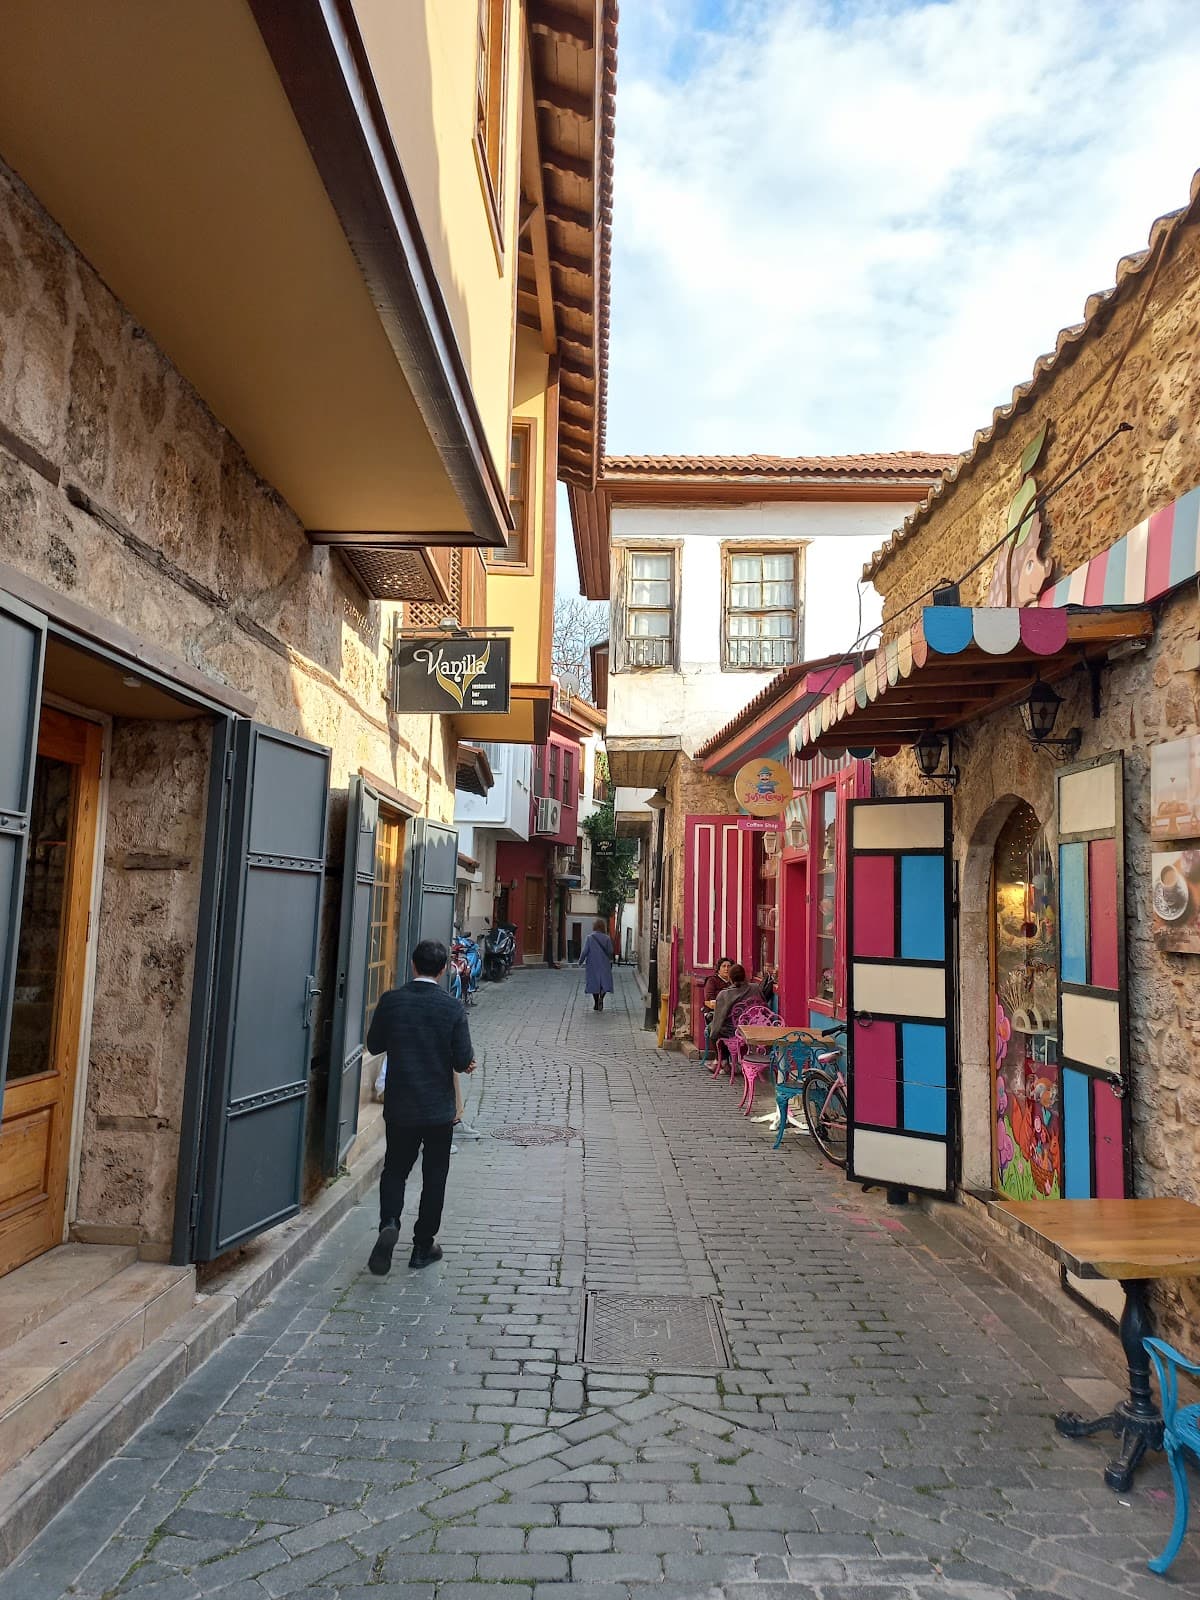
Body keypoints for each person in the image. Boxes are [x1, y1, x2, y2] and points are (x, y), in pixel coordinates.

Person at [364, 939, 475, 1276]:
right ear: (443, 970)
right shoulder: (452, 1007)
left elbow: (374, 1044)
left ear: (413, 966)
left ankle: (390, 1222)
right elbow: (460, 1060)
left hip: (400, 1105)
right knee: (434, 1176)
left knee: (395, 1169)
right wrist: (467, 1064)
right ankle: (423, 1246)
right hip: (437, 1109)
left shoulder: (392, 1002)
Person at [579, 918, 615, 1010]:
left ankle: (595, 1002)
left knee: (594, 982)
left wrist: (580, 961)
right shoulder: (607, 938)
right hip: (604, 964)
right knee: (604, 982)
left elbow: (584, 951)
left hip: (592, 964)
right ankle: (601, 998)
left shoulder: (589, 938)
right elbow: (611, 951)